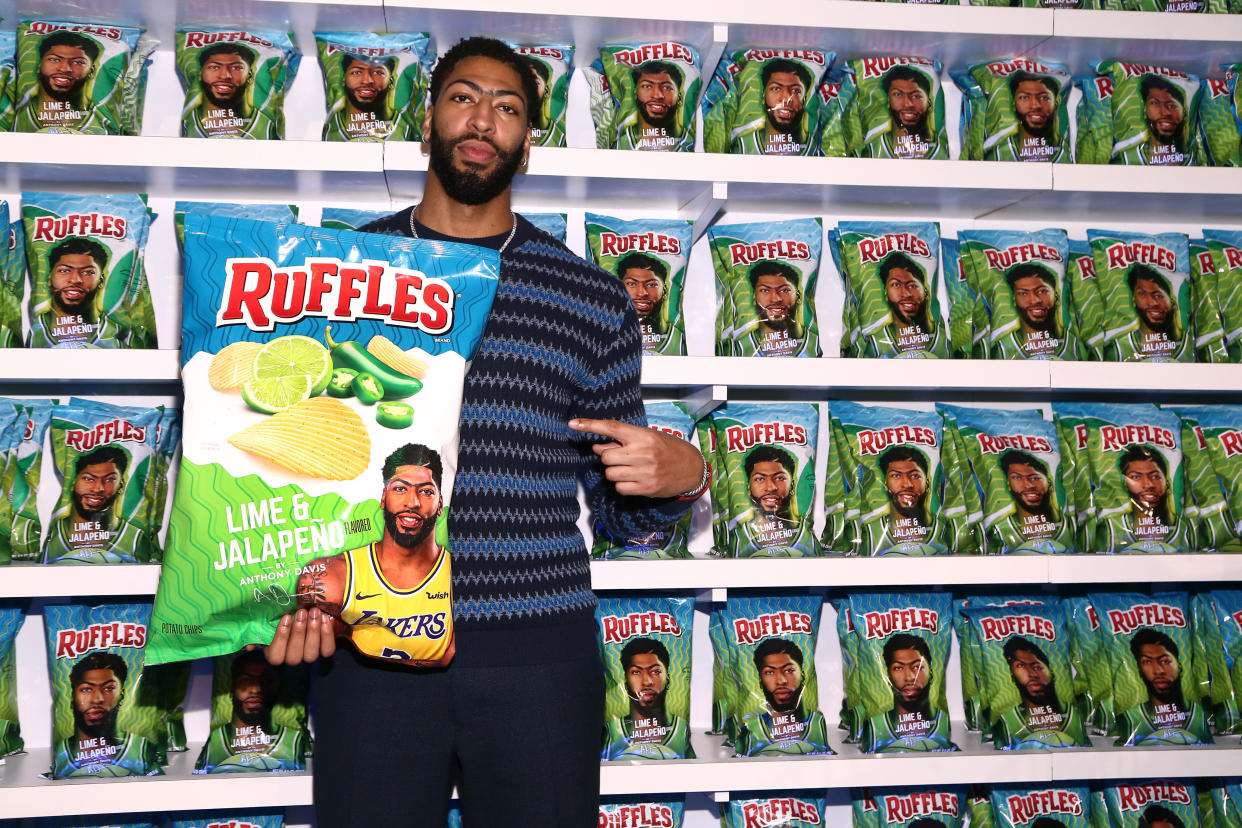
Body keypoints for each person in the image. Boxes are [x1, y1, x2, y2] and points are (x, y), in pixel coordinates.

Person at [263, 36, 706, 828]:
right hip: (372, 649)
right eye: (464, 96)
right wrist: (286, 603)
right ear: (427, 118)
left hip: (537, 651)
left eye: (508, 108)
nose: (484, 119)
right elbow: (294, 468)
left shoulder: (589, 298)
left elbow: (621, 512)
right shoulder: (341, 273)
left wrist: (684, 478)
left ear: (527, 143)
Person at [293, 443, 452, 668]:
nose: (412, 502)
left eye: (426, 491)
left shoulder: (460, 573)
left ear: (440, 505)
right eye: (400, 488)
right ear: (383, 497)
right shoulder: (331, 575)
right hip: (357, 691)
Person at [197, 649, 309, 772]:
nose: (255, 689)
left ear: (276, 688)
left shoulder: (292, 739)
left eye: (265, 681)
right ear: (232, 687)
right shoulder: (216, 741)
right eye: (246, 681)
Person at [55, 651, 157, 777]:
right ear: (73, 696)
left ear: (122, 695)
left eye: (109, 688)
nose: (97, 699)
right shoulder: (59, 752)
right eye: (86, 689)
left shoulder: (143, 748)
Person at [44, 445, 146, 563]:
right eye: (88, 479)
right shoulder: (55, 536)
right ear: (73, 483)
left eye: (110, 479)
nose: (98, 488)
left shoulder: (136, 538)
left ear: (121, 486)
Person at [736, 637, 828, 755]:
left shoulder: (817, 724)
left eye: (789, 670)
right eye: (769, 672)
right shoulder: (751, 729)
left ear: (803, 676)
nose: (781, 681)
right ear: (760, 681)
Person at [601, 638, 689, 759]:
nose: (647, 682)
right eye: (636, 672)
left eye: (655, 671)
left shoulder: (682, 728)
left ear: (668, 679)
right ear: (626, 682)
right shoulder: (611, 730)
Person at [1118, 627, 1209, 745]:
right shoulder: (1128, 718)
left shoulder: (1200, 715)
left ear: (1180, 666)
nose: (1158, 670)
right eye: (1147, 661)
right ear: (1140, 671)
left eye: (1165, 661)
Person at [864, 632, 953, 750]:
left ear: (930, 670)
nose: (910, 677)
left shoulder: (943, 721)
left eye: (917, 666)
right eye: (898, 668)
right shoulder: (874, 726)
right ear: (888, 675)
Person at [993, 636, 1084, 747]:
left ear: (1052, 673)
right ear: (1013, 677)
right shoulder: (1006, 722)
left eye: (1037, 667)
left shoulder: (1075, 716)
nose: (1032, 674)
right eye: (1020, 666)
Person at [30, 237, 119, 347]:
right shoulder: (29, 333)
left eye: (87, 272)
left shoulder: (120, 334)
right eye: (64, 270)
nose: (75, 280)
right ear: (49, 278)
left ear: (101, 280)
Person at [184, 43, 277, 139]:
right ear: (200, 75)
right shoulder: (188, 121)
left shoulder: (268, 126)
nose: (225, 75)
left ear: (250, 76)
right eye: (214, 67)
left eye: (236, 67)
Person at [16, 30, 100, 132]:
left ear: (91, 71)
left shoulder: (104, 119)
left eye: (78, 62)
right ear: (39, 66)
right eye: (54, 59)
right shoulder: (15, 115)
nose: (64, 68)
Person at [875, 445, 945, 554]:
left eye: (915, 476)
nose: (907, 484)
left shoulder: (945, 530)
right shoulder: (868, 532)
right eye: (896, 476)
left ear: (927, 483)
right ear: (885, 484)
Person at [867, 66, 934, 159]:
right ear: (888, 102)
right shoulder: (871, 149)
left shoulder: (941, 148)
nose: (907, 104)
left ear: (929, 103)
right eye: (898, 94)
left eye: (916, 96)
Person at [1000, 449, 1064, 545]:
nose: (1028, 485)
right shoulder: (998, 532)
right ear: (1008, 484)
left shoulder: (1073, 525)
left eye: (1035, 478)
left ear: (1050, 483)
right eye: (1017, 477)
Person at [326, 54, 397, 140]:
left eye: (378, 72)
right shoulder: (331, 128)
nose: (367, 81)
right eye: (357, 72)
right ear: (343, 80)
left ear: (391, 82)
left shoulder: (406, 126)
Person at [1119, 444, 1177, 545]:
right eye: (1136, 477)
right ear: (1125, 485)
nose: (1148, 485)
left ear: (1167, 482)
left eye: (1155, 476)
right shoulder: (1112, 531)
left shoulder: (1184, 529)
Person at [1123, 264, 1184, 360]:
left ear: (1173, 301)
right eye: (1142, 294)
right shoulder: (1117, 350)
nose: (1152, 303)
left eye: (1158, 295)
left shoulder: (1190, 346)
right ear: (1134, 301)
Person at [621, 60, 684, 150]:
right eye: (647, 86)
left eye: (667, 87)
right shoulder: (619, 144)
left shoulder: (689, 142)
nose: (657, 95)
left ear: (679, 97)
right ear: (635, 94)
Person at [1004, 262, 1064, 357]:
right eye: (1023, 293)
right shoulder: (1000, 349)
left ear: (1057, 297)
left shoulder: (1077, 345)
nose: (1034, 301)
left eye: (1042, 291)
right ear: (1014, 300)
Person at [879, 252, 935, 354]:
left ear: (926, 292)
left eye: (913, 286)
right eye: (896, 284)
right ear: (886, 293)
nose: (906, 294)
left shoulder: (941, 339)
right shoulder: (875, 343)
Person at [747, 260, 804, 355]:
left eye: (784, 290)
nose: (775, 299)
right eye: (765, 290)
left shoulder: (814, 342)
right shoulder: (735, 348)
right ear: (754, 298)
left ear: (798, 297)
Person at [616, 251, 671, 350]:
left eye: (651, 285)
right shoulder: (606, 337)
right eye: (631, 284)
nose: (642, 293)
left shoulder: (678, 339)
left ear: (665, 291)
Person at [1002, 72, 1062, 162]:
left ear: (1056, 104)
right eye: (1024, 97)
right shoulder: (997, 153)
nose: (1035, 105)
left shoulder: (1069, 152)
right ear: (1013, 104)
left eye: (1044, 98)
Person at [1139, 75, 1190, 165]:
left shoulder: (1192, 158)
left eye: (1172, 105)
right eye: (1155, 103)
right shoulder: (1128, 156)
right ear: (1145, 111)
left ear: (1184, 114)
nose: (1165, 112)